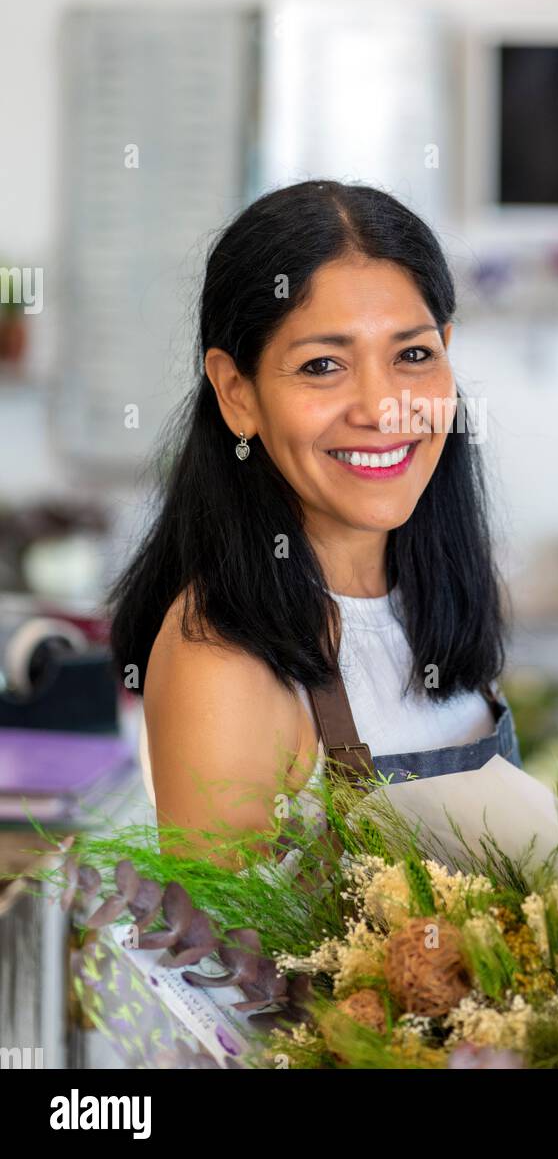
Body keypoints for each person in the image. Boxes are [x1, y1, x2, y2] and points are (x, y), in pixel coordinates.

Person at [109, 180, 521, 865]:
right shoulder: (223, 660)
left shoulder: (439, 593)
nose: (381, 406)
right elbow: (217, 967)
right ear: (237, 393)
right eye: (322, 365)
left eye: (413, 354)